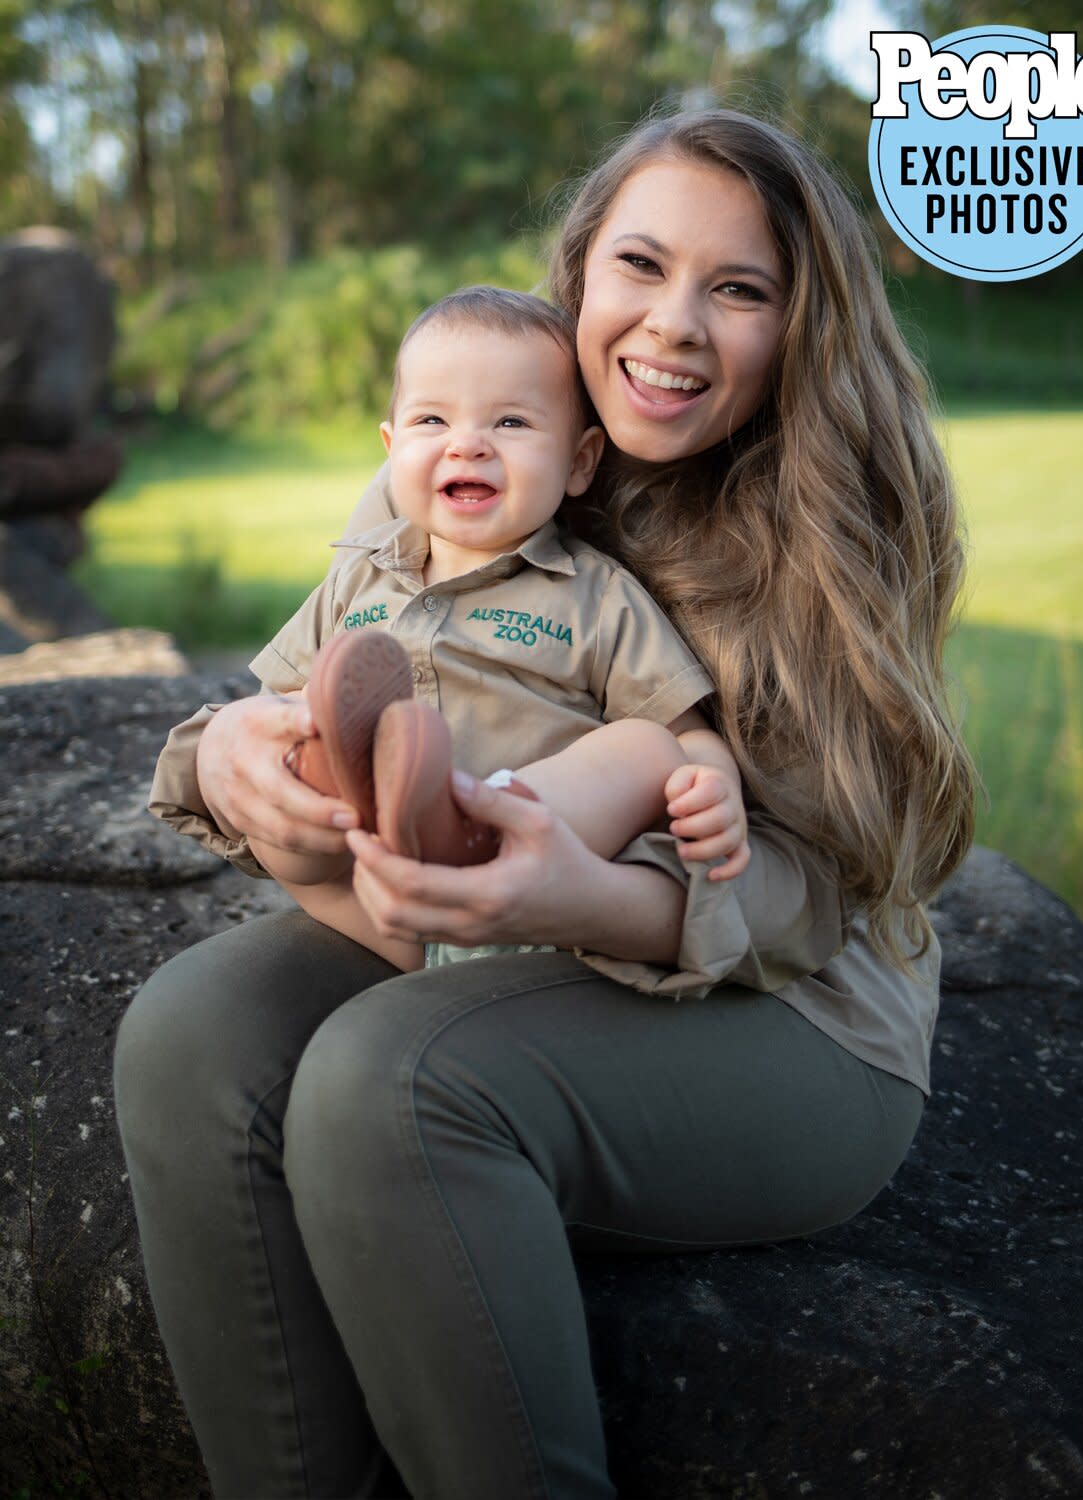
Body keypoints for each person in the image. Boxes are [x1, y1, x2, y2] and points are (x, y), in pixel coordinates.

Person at [115, 107, 977, 1500]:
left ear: (798, 327)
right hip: (472, 903)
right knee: (186, 1032)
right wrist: (220, 761)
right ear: (577, 278)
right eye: (639, 266)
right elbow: (312, 659)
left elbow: (820, 899)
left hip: (787, 1007)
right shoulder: (475, 430)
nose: (674, 325)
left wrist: (586, 895)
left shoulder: (820, 527)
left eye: (739, 289)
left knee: (391, 1083)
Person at [249, 286, 749, 974]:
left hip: (538, 884)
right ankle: (415, 898)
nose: (468, 446)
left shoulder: (592, 593)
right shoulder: (356, 579)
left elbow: (688, 730)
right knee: (285, 758)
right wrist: (271, 754)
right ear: (392, 448)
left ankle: (474, 826)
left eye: (511, 423)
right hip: (377, 904)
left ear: (579, 463)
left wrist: (713, 788)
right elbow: (270, 705)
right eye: (432, 420)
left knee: (650, 746)